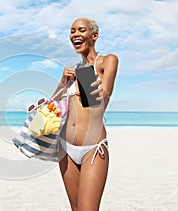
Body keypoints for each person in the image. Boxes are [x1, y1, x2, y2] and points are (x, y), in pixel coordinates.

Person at [55, 17, 118, 211]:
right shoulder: (72, 70)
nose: (75, 34)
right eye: (72, 31)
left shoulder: (108, 60)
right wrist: (61, 83)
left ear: (94, 35)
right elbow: (53, 108)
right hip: (65, 148)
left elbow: (105, 96)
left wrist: (92, 87)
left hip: (93, 147)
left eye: (81, 30)